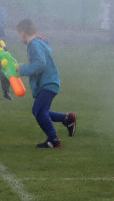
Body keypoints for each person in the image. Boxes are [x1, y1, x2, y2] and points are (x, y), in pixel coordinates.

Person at [15, 19, 76, 148]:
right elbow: (39, 62)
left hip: (48, 83)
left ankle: (54, 140)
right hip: (50, 82)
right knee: (41, 110)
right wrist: (24, 67)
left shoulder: (33, 44)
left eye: (18, 35)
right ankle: (67, 119)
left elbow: (40, 64)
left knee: (38, 111)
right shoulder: (39, 41)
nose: (19, 38)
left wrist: (23, 70)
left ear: (23, 32)